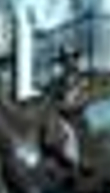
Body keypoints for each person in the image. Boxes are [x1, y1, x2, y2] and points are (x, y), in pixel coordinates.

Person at [39, 46, 91, 178]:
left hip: (75, 117)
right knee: (45, 129)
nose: (68, 63)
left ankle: (78, 163)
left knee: (73, 133)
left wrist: (67, 107)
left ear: (74, 61)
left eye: (70, 59)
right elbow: (50, 96)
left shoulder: (81, 80)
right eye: (65, 61)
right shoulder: (58, 81)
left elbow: (84, 99)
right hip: (59, 117)